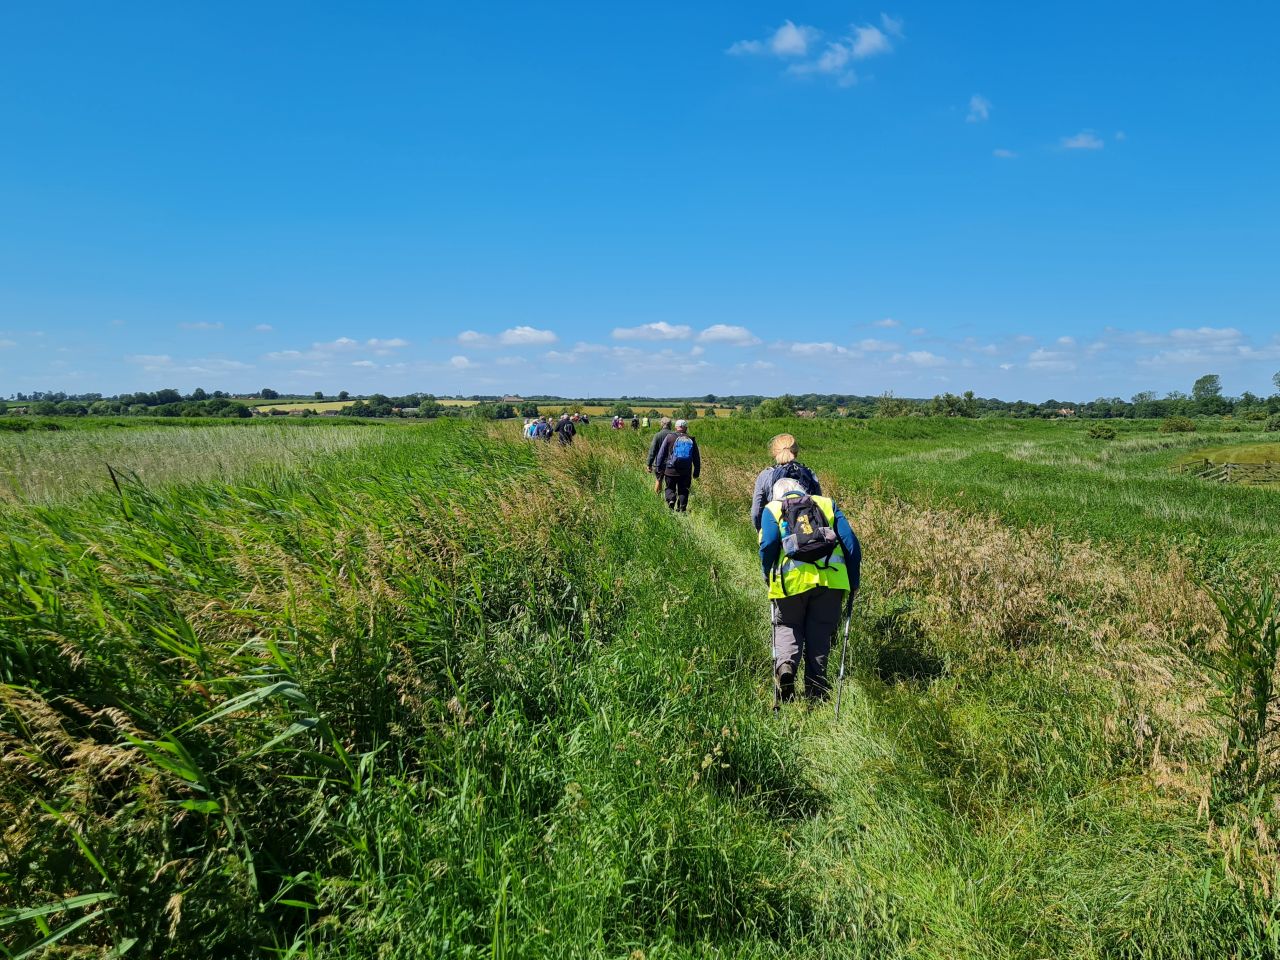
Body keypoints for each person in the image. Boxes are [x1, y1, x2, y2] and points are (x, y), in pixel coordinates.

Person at [759, 478, 861, 705]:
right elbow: (851, 544)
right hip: (831, 581)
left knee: (787, 625)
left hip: (791, 582)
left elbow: (769, 543)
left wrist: (767, 572)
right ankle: (816, 691)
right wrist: (853, 580)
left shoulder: (773, 508)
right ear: (803, 490)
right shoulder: (826, 504)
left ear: (777, 495)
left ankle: (786, 666)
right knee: (821, 633)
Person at [751, 433, 821, 531]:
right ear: (796, 452)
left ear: (774, 452)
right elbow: (819, 504)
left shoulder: (765, 475)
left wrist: (762, 533)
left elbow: (756, 513)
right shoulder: (809, 473)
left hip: (780, 532)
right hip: (808, 531)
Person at [654, 419, 700, 511]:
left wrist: (658, 467)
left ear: (676, 427)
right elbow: (696, 457)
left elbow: (661, 454)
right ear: (686, 428)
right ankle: (682, 508)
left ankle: (671, 499)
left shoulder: (669, 437)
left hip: (670, 470)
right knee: (683, 490)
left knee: (670, 488)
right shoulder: (691, 439)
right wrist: (696, 472)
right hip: (686, 471)